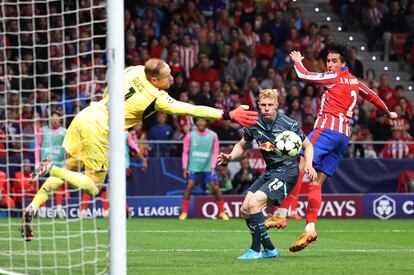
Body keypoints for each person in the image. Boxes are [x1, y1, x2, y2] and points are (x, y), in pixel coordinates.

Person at [21, 58, 258, 241]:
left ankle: (32, 207)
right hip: (99, 129)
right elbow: (190, 110)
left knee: (70, 169)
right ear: (155, 80)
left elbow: (110, 87)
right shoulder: (157, 97)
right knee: (92, 186)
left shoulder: (134, 70)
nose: (171, 78)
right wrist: (226, 114)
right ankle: (51, 168)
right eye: (167, 76)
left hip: (87, 114)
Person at [265, 42, 398, 252]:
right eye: (328, 60)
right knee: (316, 181)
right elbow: (372, 95)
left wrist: (298, 62)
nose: (329, 65)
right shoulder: (355, 82)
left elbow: (305, 76)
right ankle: (310, 228)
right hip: (344, 137)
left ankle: (281, 215)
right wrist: (388, 112)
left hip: (326, 130)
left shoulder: (334, 78)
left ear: (343, 62)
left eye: (334, 61)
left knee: (298, 165)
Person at [218, 89, 317, 260]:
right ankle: (270, 249)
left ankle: (255, 250)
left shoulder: (289, 124)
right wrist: (230, 157)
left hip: (287, 172)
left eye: (270, 105)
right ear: (258, 105)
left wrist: (308, 163)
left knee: (254, 203)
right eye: (263, 105)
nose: (266, 108)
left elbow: (308, 146)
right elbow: (242, 145)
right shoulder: (253, 123)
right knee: (245, 209)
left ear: (277, 105)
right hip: (270, 172)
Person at [180, 117, 229, 221]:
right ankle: (184, 212)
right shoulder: (190, 135)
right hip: (194, 166)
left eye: (203, 120)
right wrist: (185, 167)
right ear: (196, 123)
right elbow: (185, 152)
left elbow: (216, 151)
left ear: (206, 122)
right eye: (198, 120)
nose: (201, 122)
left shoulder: (213, 135)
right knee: (189, 187)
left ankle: (222, 212)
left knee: (215, 188)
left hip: (208, 167)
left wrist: (213, 166)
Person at [35, 111, 67, 218]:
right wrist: (37, 162)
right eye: (53, 118)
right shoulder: (42, 130)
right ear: (50, 119)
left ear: (60, 120)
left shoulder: (64, 131)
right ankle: (43, 209)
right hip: (45, 163)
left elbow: (67, 148)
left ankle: (59, 208)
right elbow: (37, 146)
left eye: (57, 119)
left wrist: (67, 162)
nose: (55, 120)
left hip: (59, 164)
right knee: (44, 186)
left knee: (58, 186)